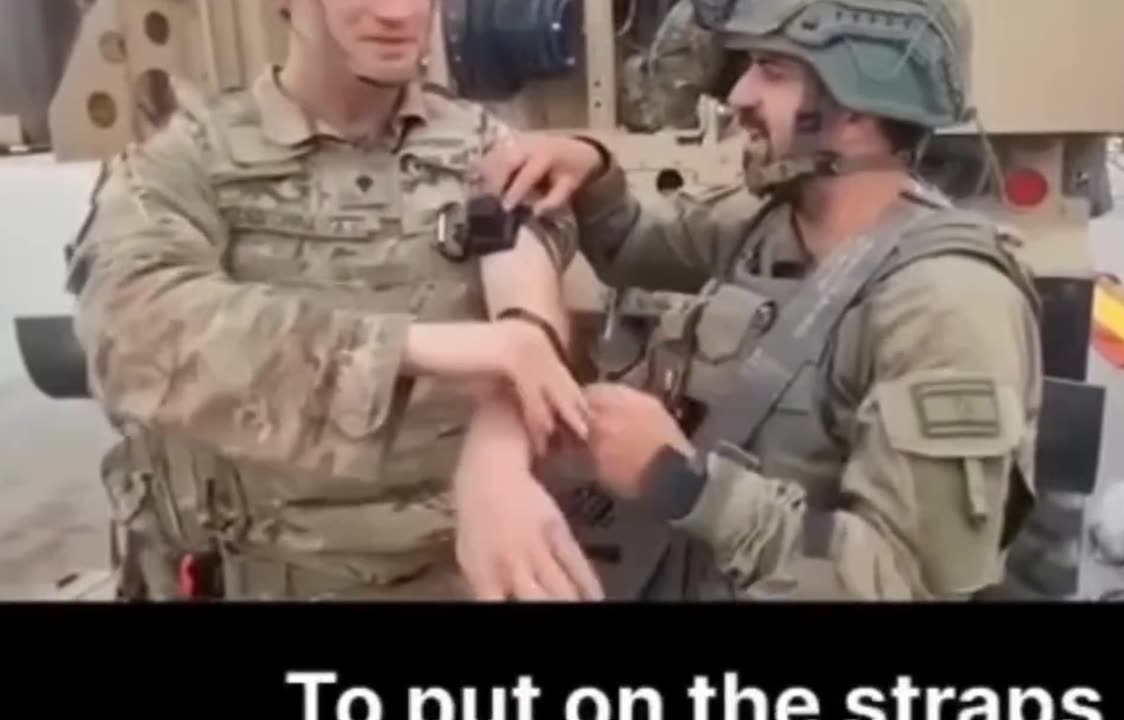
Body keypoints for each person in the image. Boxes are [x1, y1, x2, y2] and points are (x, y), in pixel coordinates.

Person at [464, 0, 1046, 601]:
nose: (738, 94)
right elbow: (634, 243)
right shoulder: (772, 223)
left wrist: (678, 481)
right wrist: (593, 167)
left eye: (771, 70)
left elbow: (904, 578)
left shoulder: (946, 304)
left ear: (858, 110)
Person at [67, 0, 604, 601]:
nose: (397, 13)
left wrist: (502, 437)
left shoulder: (478, 143)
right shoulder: (190, 161)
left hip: (459, 573)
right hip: (254, 578)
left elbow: (523, 254)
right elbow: (135, 330)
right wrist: (416, 346)